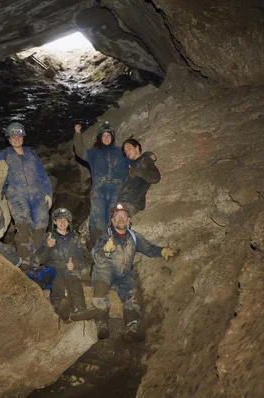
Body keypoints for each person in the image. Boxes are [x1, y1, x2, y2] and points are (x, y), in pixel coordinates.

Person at [92, 203, 180, 343]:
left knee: (134, 292)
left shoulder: (134, 237)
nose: (121, 218)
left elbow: (149, 249)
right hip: (105, 270)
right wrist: (105, 250)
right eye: (117, 216)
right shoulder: (105, 236)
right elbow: (96, 257)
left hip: (124, 274)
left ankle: (132, 326)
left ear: (128, 219)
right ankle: (102, 323)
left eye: (124, 216)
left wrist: (162, 251)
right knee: (100, 288)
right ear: (112, 220)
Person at [0, 122, 52, 267]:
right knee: (23, 226)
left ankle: (36, 264)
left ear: (23, 137)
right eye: (13, 136)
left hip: (38, 196)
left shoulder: (32, 153)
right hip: (17, 196)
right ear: (9, 139)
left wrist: (48, 193)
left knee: (41, 227)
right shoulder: (5, 154)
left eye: (19, 136)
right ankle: (25, 264)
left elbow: (43, 175)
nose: (16, 139)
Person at [73, 121, 130, 251]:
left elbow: (134, 158)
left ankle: (115, 248)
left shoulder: (120, 152)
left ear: (112, 137)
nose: (106, 138)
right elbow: (80, 152)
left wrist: (147, 156)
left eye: (108, 135)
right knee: (97, 217)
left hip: (116, 190)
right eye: (103, 136)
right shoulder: (94, 153)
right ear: (99, 138)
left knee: (114, 217)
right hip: (99, 191)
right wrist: (77, 135)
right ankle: (96, 249)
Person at [35, 208, 97, 322]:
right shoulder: (48, 237)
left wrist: (74, 264)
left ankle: (79, 310)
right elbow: (39, 259)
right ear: (54, 222)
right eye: (59, 220)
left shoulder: (75, 238)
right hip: (54, 269)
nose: (62, 223)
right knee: (57, 283)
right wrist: (46, 246)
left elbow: (81, 259)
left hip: (70, 270)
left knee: (74, 282)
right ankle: (61, 309)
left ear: (69, 222)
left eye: (65, 220)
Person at [117, 138, 160, 216]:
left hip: (132, 202)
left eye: (129, 148)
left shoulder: (145, 160)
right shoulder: (131, 165)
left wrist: (139, 172)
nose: (127, 152)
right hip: (122, 201)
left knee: (119, 219)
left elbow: (156, 178)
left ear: (137, 147)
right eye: (126, 151)